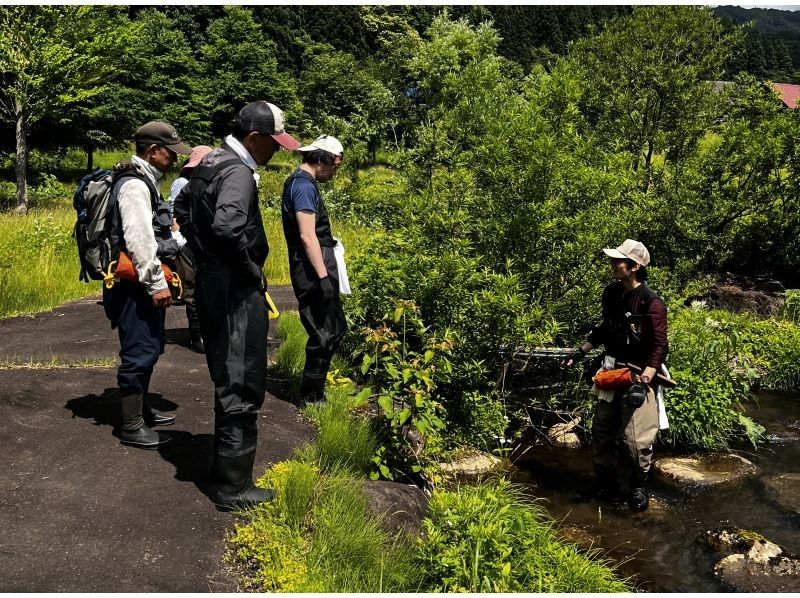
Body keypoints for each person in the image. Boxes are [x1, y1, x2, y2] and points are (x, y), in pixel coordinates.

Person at [175, 101, 300, 511]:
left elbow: (181, 208)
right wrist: (248, 269)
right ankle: (234, 486)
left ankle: (224, 469)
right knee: (242, 380)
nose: (277, 150)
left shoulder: (210, 161)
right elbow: (228, 228)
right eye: (274, 142)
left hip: (212, 282)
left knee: (226, 375)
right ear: (254, 137)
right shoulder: (238, 173)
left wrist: (202, 254)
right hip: (233, 290)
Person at [562, 239, 668, 512]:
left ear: (634, 266)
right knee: (602, 432)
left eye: (617, 260)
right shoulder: (611, 293)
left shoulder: (652, 302)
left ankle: (638, 486)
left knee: (635, 440)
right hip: (611, 371)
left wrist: (644, 382)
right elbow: (606, 329)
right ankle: (605, 485)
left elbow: (659, 347)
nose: (612, 264)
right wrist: (580, 351)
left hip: (640, 375)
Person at [104, 121, 191, 449]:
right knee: (139, 350)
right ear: (153, 151)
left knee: (150, 345)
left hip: (137, 282)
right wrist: (156, 284)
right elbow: (139, 240)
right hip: (134, 284)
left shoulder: (143, 180)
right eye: (170, 152)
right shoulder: (135, 186)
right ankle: (132, 425)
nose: (174, 158)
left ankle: (140, 411)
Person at [280, 135, 347, 405]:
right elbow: (307, 236)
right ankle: (311, 395)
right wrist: (322, 277)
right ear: (324, 160)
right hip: (311, 270)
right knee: (324, 330)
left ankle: (315, 390)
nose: (334, 173)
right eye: (335, 167)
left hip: (315, 265)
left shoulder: (302, 183)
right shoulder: (303, 186)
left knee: (334, 327)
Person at [168, 145, 213, 354]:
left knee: (204, 287)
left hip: (204, 242)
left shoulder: (207, 182)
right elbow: (175, 214)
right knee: (191, 288)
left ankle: (205, 331)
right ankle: (197, 334)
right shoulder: (182, 183)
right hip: (187, 243)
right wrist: (180, 239)